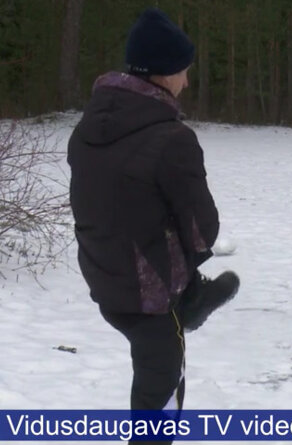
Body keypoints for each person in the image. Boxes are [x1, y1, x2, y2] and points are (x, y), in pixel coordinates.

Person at [67, 8, 239, 425]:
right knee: (159, 400)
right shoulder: (173, 139)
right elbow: (203, 234)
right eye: (183, 71)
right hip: (153, 298)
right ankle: (192, 298)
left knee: (149, 380)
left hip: (105, 279)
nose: (187, 81)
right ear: (164, 73)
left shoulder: (86, 127)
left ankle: (193, 296)